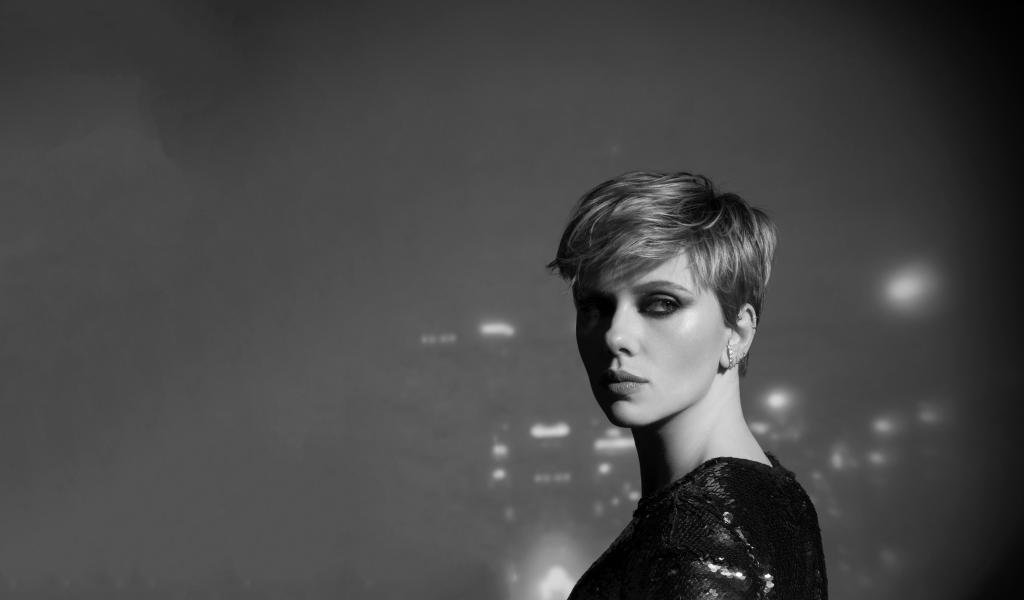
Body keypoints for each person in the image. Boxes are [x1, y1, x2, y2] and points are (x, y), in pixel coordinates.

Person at [548, 171, 827, 599]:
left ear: (738, 331)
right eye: (595, 307)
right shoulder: (772, 494)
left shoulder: (700, 540)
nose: (615, 336)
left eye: (662, 304)